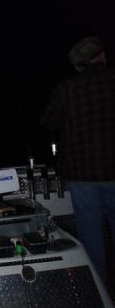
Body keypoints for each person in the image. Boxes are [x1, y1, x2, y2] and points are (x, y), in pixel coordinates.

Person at [40, 36, 115, 284]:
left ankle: (101, 289)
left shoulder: (67, 89)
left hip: (82, 176)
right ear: (102, 57)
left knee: (91, 235)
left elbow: (48, 122)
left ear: (78, 65)